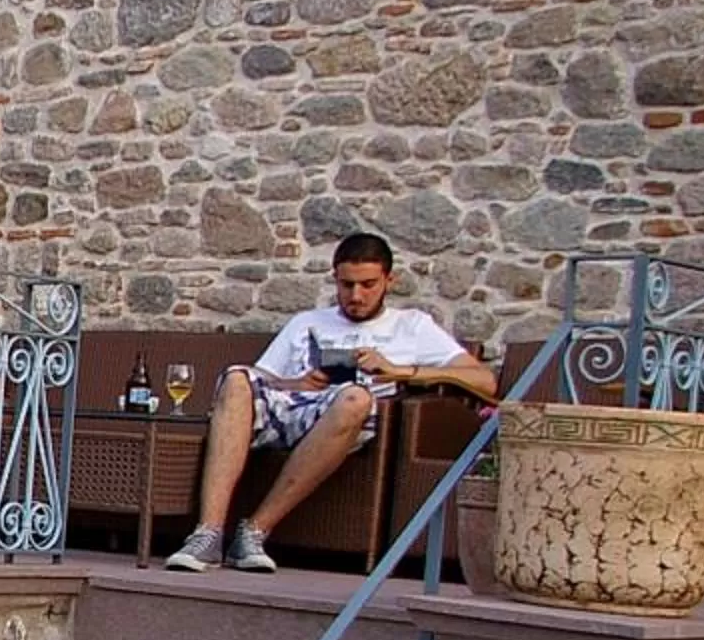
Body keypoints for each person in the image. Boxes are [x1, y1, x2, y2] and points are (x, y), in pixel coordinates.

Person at [168, 231, 496, 574]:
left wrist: (399, 370)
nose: (356, 295)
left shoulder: (411, 326)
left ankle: (254, 532)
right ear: (335, 280)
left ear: (389, 280)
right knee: (236, 379)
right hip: (290, 407)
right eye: (347, 285)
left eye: (368, 285)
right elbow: (262, 378)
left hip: (348, 417)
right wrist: (299, 382)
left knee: (354, 398)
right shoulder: (307, 322)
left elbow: (485, 380)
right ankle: (207, 534)